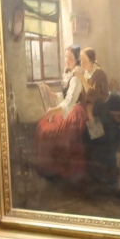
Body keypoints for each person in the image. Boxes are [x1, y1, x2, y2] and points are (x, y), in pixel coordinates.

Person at [35, 46, 88, 182]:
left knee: (53, 131)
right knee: (44, 124)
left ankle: (59, 171)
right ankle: (50, 169)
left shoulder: (76, 77)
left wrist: (53, 111)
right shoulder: (69, 74)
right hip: (69, 108)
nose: (67, 60)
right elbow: (65, 96)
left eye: (70, 58)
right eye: (66, 57)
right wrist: (51, 94)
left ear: (77, 60)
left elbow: (70, 102)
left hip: (75, 112)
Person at [79, 47, 119, 183]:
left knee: (99, 140)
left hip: (101, 112)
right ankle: (93, 175)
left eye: (85, 61)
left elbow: (94, 95)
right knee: (86, 138)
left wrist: (82, 80)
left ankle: (106, 175)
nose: (82, 64)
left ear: (92, 61)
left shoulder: (99, 74)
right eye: (81, 61)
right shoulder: (86, 74)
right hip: (91, 112)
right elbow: (84, 98)